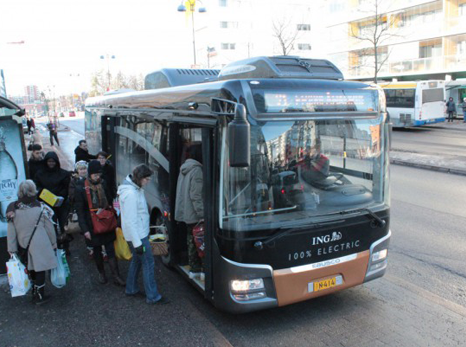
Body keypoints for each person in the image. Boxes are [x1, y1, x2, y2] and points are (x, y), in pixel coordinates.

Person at [118, 164, 168, 304]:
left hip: (138, 234)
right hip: (138, 236)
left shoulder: (134, 189)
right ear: (140, 178)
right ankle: (152, 296)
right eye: (147, 179)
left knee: (137, 261)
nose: (148, 181)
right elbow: (131, 221)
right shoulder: (132, 194)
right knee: (148, 264)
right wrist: (138, 243)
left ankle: (131, 288)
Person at [74, 160, 125, 286]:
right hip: (92, 225)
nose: (98, 177)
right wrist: (85, 230)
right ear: (89, 174)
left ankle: (116, 276)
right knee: (97, 251)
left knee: (110, 249)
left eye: (99, 174)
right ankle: (101, 273)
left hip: (106, 221)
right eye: (95, 175)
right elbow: (80, 211)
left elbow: (110, 199)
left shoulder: (104, 183)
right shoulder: (81, 188)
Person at [7, 180, 57, 305]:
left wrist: (11, 248)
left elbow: (11, 231)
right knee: (40, 269)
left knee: (31, 268)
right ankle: (40, 295)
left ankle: (35, 292)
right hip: (41, 242)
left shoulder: (12, 210)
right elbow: (49, 227)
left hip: (23, 243)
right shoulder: (40, 207)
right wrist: (54, 243)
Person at [174, 144, 204, 279]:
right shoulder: (197, 170)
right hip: (194, 213)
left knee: (191, 239)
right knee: (199, 241)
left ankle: (193, 268)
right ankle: (199, 269)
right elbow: (196, 195)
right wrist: (202, 214)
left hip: (186, 212)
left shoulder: (185, 167)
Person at [34, 151, 71, 254]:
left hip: (61, 203)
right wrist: (45, 194)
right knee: (51, 226)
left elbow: (66, 187)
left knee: (64, 225)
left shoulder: (63, 173)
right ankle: (56, 245)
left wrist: (60, 196)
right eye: (49, 161)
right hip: (47, 204)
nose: (51, 164)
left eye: (53, 161)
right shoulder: (40, 173)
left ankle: (66, 245)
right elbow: (37, 186)